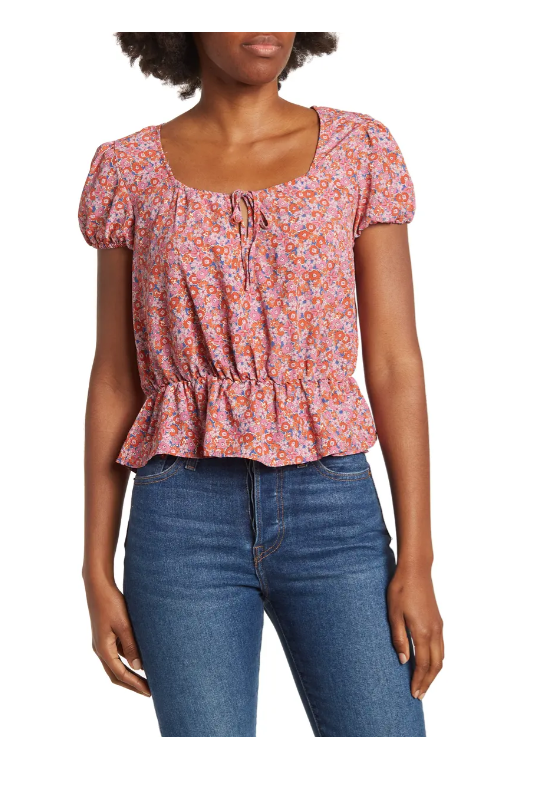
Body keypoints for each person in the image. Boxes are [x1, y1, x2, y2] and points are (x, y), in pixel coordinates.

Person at [79, 32, 443, 737]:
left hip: (333, 510)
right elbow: (116, 376)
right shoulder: (128, 170)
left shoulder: (358, 150)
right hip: (180, 518)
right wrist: (95, 568)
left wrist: (418, 560)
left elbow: (395, 361)